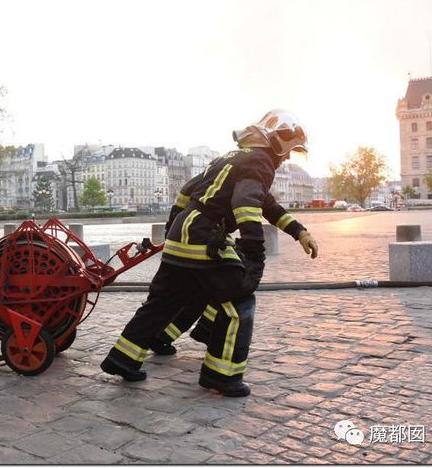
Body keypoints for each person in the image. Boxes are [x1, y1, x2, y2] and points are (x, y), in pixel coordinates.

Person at [100, 109, 319, 397]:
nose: (287, 157)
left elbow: (193, 192)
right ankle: (222, 375)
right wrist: (254, 249)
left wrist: (299, 231)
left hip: (184, 233)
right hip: (205, 235)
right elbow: (246, 204)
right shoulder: (261, 161)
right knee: (238, 298)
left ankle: (122, 358)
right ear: (278, 141)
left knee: (164, 301)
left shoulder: (231, 157)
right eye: (289, 151)